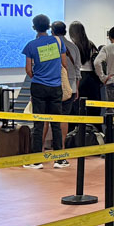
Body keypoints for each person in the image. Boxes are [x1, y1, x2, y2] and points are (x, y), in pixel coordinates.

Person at [21, 14, 67, 168]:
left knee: (39, 124)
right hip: (55, 87)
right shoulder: (57, 42)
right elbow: (64, 63)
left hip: (38, 86)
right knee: (56, 123)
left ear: (34, 27)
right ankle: (59, 159)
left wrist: (38, 75)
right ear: (49, 27)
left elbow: (28, 70)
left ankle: (36, 160)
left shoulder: (31, 45)